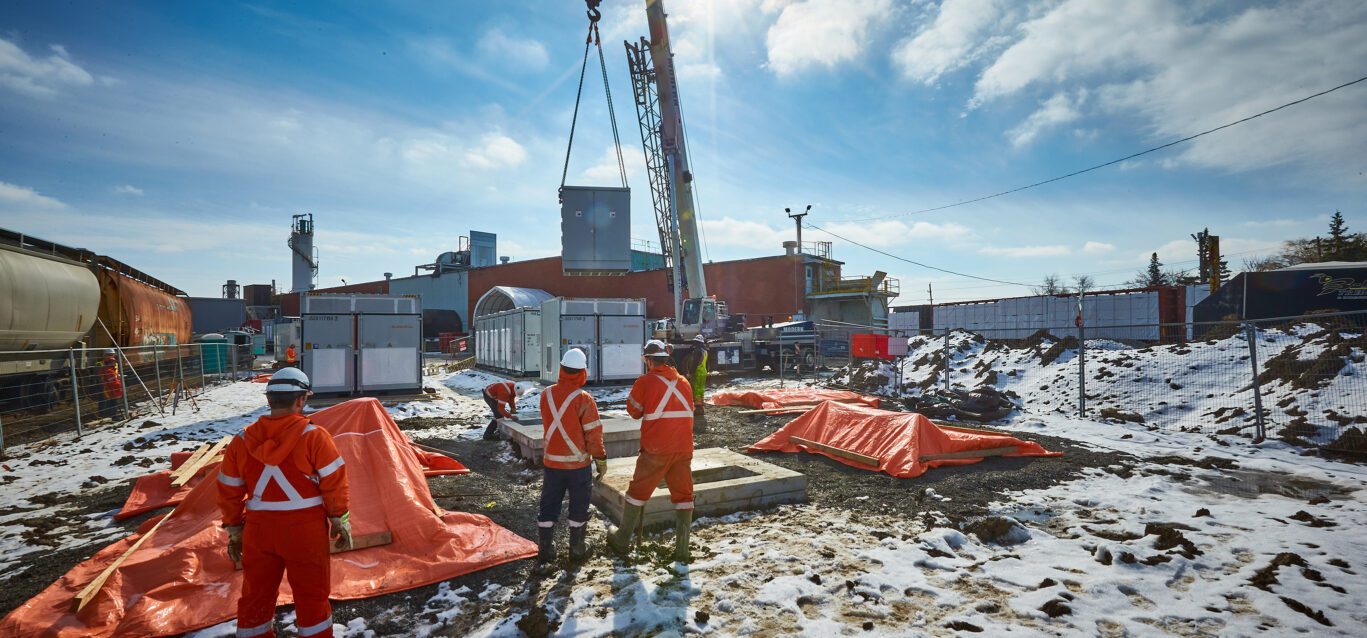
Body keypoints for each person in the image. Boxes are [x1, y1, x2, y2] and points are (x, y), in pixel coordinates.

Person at [216, 367, 351, 638]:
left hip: (259, 531)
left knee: (256, 595)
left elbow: (228, 489)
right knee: (312, 596)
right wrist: (339, 519)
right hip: (305, 531)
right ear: (300, 400)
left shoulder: (241, 441)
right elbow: (334, 482)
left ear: (269, 400)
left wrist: (234, 529)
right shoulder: (314, 436)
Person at [606, 339, 695, 563]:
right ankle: (682, 548)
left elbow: (634, 411)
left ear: (648, 360)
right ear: (665, 358)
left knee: (637, 491)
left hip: (656, 448)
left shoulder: (645, 382)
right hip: (683, 447)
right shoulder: (684, 382)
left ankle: (622, 538)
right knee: (683, 494)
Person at [536, 348, 606, 563]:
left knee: (549, 504)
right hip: (578, 466)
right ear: (582, 372)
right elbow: (593, 434)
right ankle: (577, 548)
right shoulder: (584, 399)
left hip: (552, 463)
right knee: (579, 505)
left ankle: (546, 550)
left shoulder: (546, 394)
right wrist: (601, 459)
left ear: (562, 368)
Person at [678, 335, 708, 433]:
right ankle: (700, 408)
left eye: (695, 342)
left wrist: (690, 373)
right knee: (700, 390)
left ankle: (698, 409)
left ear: (697, 343)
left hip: (697, 373)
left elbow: (694, 363)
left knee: (695, 390)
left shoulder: (697, 351)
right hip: (703, 372)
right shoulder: (705, 351)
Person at [98, 349, 124, 420]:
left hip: (112, 385)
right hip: (105, 385)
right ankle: (106, 415)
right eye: (108, 355)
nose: (110, 357)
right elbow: (106, 374)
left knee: (112, 400)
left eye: (111, 355)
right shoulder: (101, 364)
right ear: (104, 356)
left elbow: (115, 373)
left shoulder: (114, 363)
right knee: (106, 400)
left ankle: (111, 415)